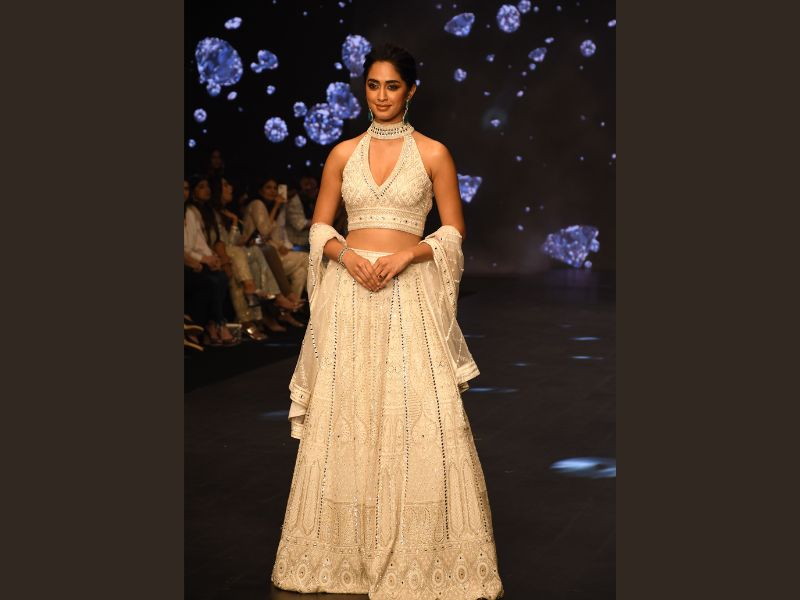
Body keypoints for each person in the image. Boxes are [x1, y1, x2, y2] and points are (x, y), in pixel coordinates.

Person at [270, 43, 504, 599]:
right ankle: (343, 553)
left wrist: (409, 255)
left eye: (392, 86)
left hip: (407, 294)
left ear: (411, 90)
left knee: (416, 414)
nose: (381, 96)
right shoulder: (342, 153)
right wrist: (345, 254)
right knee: (347, 412)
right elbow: (320, 228)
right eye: (373, 85)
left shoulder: (434, 154)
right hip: (351, 297)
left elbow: (453, 230)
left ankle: (420, 552)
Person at [242, 177, 309, 328]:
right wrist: (277, 206)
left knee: (300, 272)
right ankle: (301, 300)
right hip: (255, 251)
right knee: (306, 258)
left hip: (268, 250)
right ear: (260, 191)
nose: (272, 191)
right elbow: (264, 233)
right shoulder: (258, 204)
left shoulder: (271, 207)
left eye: (274, 188)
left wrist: (280, 245)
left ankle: (287, 311)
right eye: (268, 188)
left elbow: (270, 236)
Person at [183, 176, 237, 346]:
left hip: (197, 259)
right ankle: (216, 324)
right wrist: (205, 260)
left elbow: (201, 243)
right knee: (212, 280)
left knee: (220, 277)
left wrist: (213, 258)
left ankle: (211, 325)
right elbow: (188, 247)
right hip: (190, 262)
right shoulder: (191, 212)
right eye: (201, 187)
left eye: (186, 188)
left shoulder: (196, 212)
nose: (207, 190)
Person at [284, 174, 317, 250]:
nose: (309, 188)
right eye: (306, 185)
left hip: (307, 241)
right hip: (295, 243)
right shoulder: (294, 201)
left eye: (312, 185)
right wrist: (323, 221)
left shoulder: (311, 200)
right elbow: (300, 224)